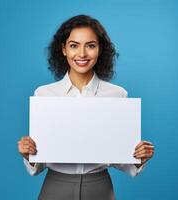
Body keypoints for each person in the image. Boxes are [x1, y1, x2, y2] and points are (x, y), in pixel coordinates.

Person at [18, 15, 154, 200]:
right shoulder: (44, 94)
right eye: (74, 45)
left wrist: (139, 157)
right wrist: (28, 153)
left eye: (90, 45)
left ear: (99, 50)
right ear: (64, 49)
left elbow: (122, 160)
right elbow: (39, 163)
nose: (82, 54)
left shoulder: (117, 95)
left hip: (99, 187)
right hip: (55, 186)